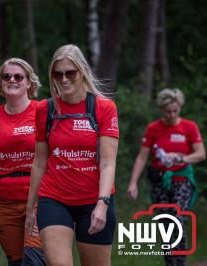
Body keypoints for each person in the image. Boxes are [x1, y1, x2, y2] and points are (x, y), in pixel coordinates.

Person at [25, 44, 119, 266]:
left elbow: (107, 163)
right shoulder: (45, 109)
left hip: (94, 201)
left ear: (82, 72)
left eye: (70, 73)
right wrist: (30, 207)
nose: (64, 79)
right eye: (58, 74)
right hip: (54, 199)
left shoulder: (103, 108)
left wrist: (102, 204)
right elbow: (39, 162)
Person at [0, 58, 45, 266]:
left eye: (18, 76)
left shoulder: (42, 111)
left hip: (39, 200)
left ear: (29, 83)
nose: (12, 80)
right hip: (5, 202)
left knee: (34, 260)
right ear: (0, 82)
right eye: (6, 76)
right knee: (16, 262)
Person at [127, 88, 205, 266]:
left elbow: (201, 154)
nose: (171, 115)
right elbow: (142, 157)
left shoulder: (189, 127)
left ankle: (181, 261)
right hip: (160, 180)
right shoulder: (153, 128)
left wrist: (181, 158)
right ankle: (170, 263)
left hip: (182, 178)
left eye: (175, 110)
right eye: (167, 111)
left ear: (180, 107)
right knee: (166, 224)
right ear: (161, 110)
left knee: (178, 217)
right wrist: (133, 183)